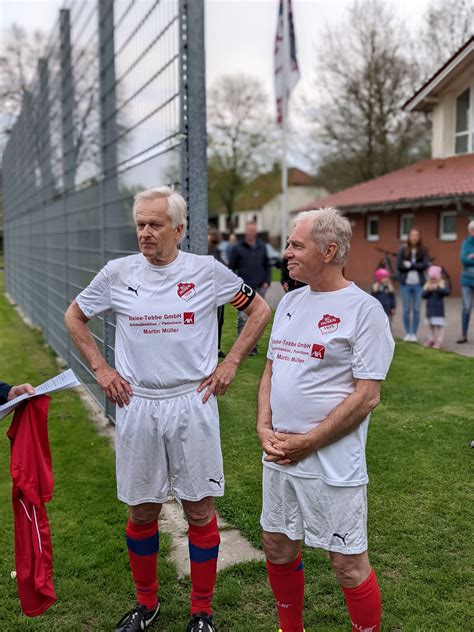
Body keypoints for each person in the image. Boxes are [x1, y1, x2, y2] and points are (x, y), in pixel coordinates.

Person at [64, 186, 271, 632]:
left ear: (179, 229)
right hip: (137, 403)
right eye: (140, 224)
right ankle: (146, 605)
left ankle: (202, 612)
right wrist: (101, 370)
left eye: (155, 224)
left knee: (199, 510)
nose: (145, 233)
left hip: (190, 403)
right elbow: (74, 316)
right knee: (142, 511)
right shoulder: (117, 273)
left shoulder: (206, 272)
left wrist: (230, 361)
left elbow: (259, 310)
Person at [256, 208, 394, 632]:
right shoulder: (291, 301)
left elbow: (367, 396)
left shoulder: (365, 311)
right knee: (277, 545)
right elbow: (271, 371)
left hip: (332, 463)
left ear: (329, 250)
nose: (287, 253)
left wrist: (309, 441)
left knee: (347, 564)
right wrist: (263, 426)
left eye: (296, 245)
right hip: (279, 453)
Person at [229, 221, 271, 355]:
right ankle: (242, 347)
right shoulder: (237, 248)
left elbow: (267, 265)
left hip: (260, 287)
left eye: (253, 230)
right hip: (244, 288)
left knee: (258, 318)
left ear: (255, 232)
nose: (251, 233)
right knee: (242, 318)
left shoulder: (262, 247)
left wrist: (267, 281)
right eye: (249, 230)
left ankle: (253, 347)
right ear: (246, 231)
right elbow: (231, 268)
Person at [396, 228, 430, 342]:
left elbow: (425, 265)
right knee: (406, 309)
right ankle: (408, 333)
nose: (414, 237)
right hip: (405, 284)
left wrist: (410, 265)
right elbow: (399, 266)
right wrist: (416, 265)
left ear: (419, 237)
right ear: (409, 237)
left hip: (418, 284)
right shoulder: (402, 249)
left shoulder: (424, 250)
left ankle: (414, 333)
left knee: (416, 309)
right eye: (412, 235)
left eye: (416, 235)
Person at [422, 265, 450, 349]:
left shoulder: (442, 285)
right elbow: (423, 295)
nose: (433, 280)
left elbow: (447, 292)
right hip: (430, 310)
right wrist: (429, 290)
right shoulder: (427, 285)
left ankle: (439, 341)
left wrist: (438, 288)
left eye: (435, 278)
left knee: (439, 326)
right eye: (431, 279)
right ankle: (431, 339)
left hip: (438, 311)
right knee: (431, 325)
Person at [208, 229, 226, 358]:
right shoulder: (214, 252)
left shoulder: (215, 251)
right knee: (217, 321)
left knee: (218, 320)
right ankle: (215, 348)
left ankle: (216, 347)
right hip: (215, 291)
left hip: (216, 291)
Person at [457, 219, 474, 344]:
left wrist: (472, 256)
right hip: (467, 280)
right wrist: (469, 258)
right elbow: (463, 259)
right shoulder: (466, 243)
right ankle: (463, 334)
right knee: (467, 307)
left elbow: (469, 259)